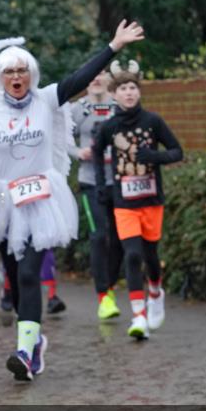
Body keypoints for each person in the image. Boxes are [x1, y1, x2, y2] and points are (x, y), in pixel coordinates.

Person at [0, 21, 145, 382]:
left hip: (41, 199)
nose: (16, 76)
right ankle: (35, 340)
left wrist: (114, 46)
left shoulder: (47, 99)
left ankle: (24, 352)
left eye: (22, 70)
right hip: (4, 200)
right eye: (9, 71)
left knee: (30, 273)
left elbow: (80, 78)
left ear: (31, 73)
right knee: (15, 279)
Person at [93, 60, 183, 339]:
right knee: (132, 255)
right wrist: (102, 185)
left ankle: (155, 291)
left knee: (151, 256)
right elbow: (97, 152)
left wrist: (154, 156)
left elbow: (177, 151)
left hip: (151, 199)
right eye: (123, 89)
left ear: (139, 91)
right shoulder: (110, 126)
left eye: (132, 88)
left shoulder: (153, 122)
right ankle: (139, 316)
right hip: (124, 202)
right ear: (114, 94)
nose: (129, 93)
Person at [70, 69, 123, 320]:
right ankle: (103, 296)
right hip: (91, 181)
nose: (97, 79)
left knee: (120, 239)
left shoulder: (119, 106)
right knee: (99, 236)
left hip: (120, 181)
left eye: (102, 74)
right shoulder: (77, 109)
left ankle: (110, 286)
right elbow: (60, 139)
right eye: (92, 75)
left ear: (109, 79)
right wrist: (77, 152)